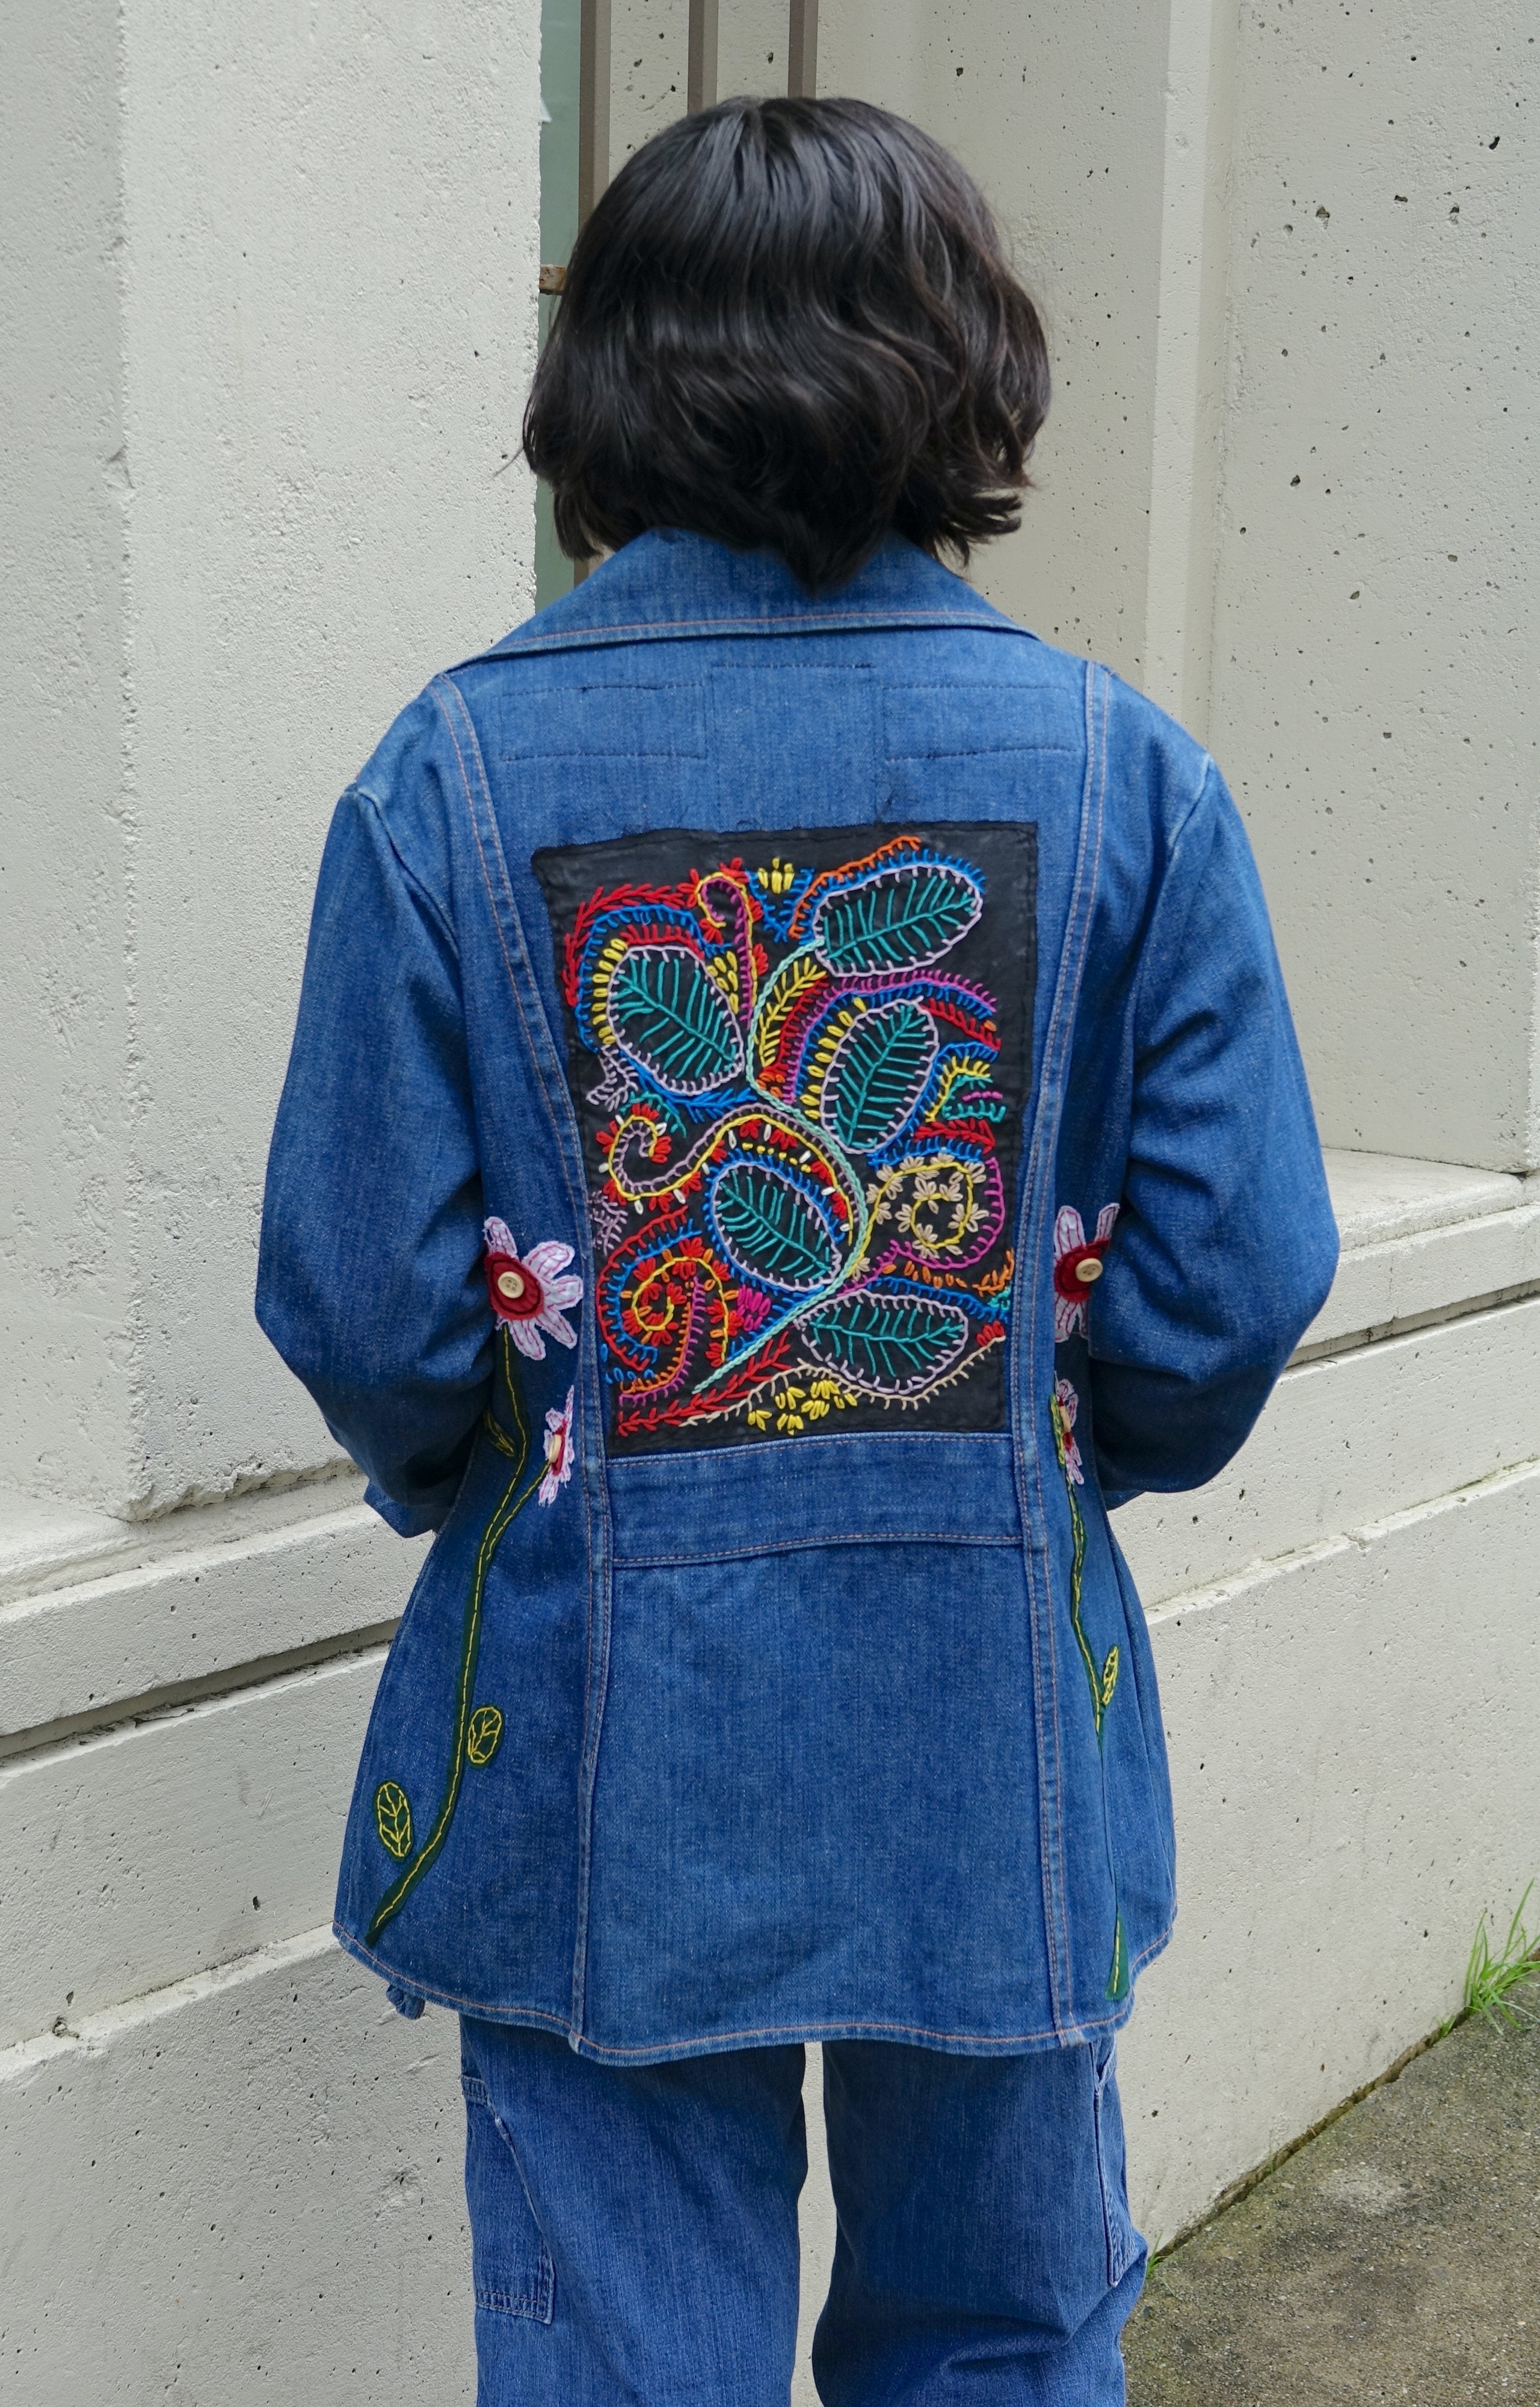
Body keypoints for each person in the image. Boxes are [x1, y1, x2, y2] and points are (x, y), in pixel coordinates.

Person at [257, 94, 1337, 2407]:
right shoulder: (1124, 777)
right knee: (1001, 2337)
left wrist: (507, 1464)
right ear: (972, 375)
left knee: (626, 2359)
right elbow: (1236, 1280)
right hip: (994, 1723)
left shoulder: (449, 781)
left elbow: (360, 1301)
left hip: (593, 1734)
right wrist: (1054, 1452)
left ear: (600, 384)